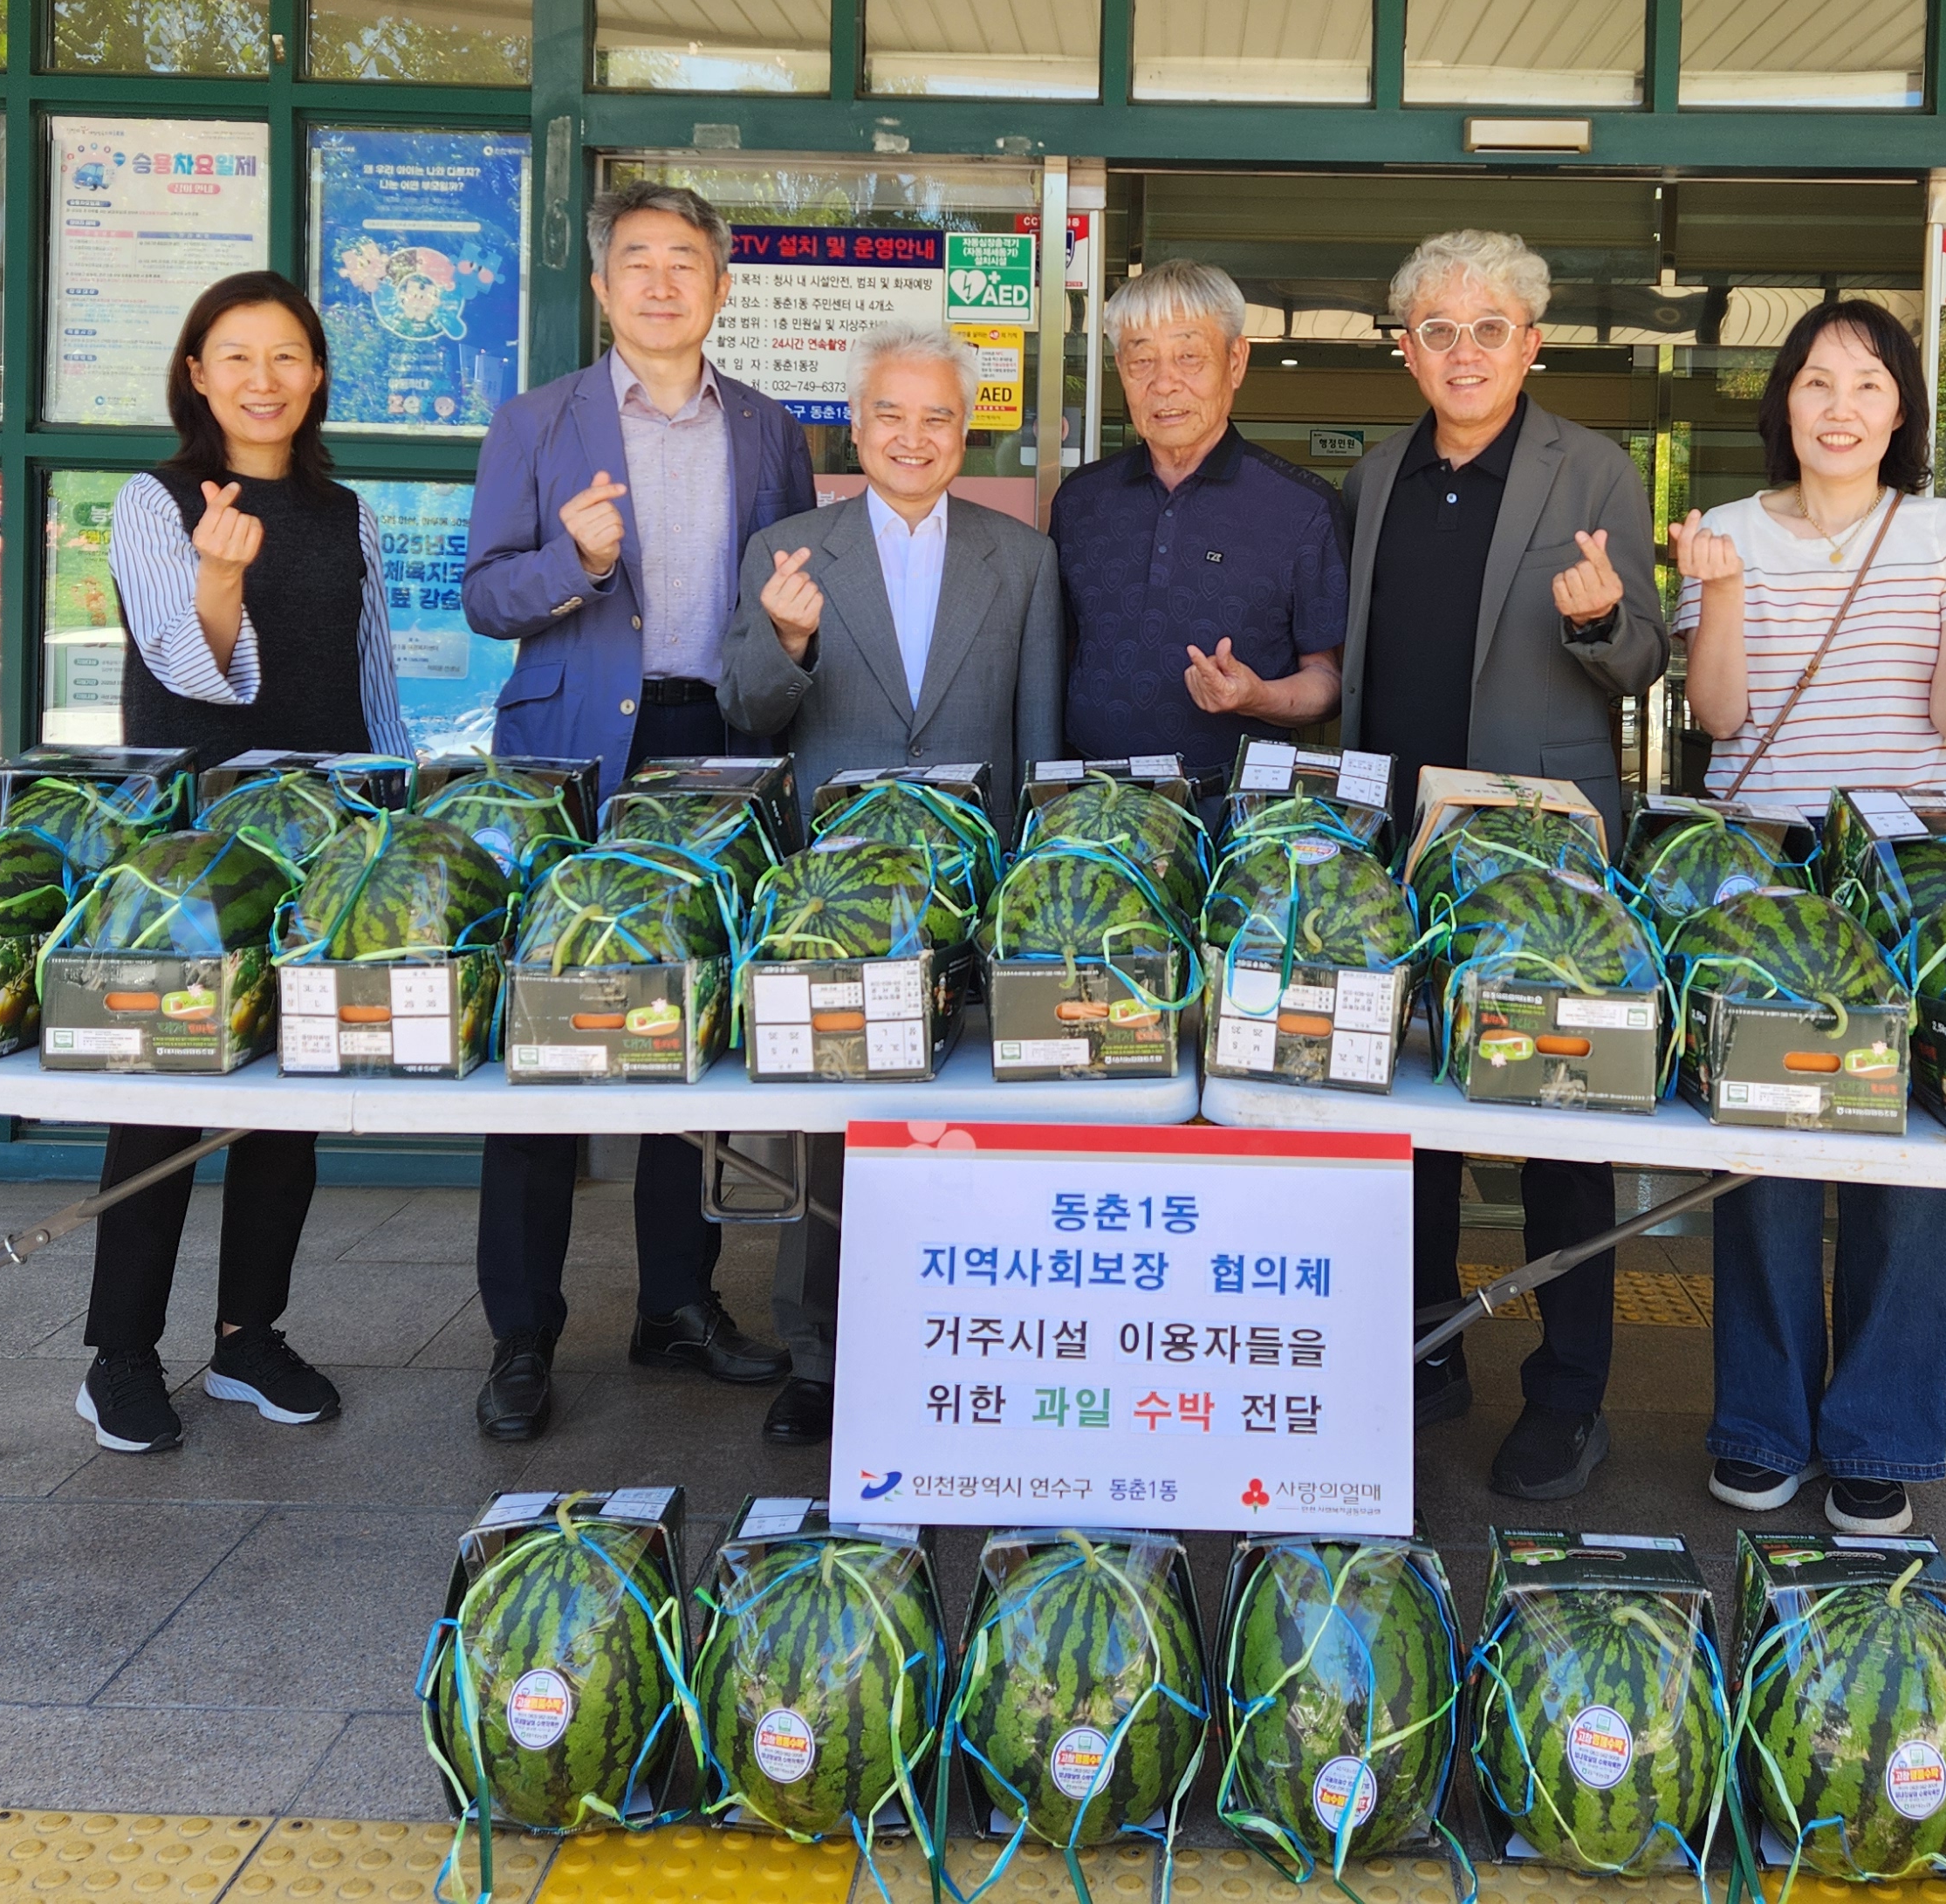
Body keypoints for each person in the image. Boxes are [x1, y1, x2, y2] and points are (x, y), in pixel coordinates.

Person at [459, 182, 816, 1444]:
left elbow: (787, 593)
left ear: (721, 289)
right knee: (541, 1041)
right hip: (570, 756)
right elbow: (486, 598)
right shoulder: (536, 420)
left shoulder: (769, 428)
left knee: (690, 1033)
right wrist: (583, 569)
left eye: (686, 263)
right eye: (637, 263)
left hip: (708, 746)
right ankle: (521, 1333)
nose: (662, 283)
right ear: (603, 289)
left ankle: (675, 1300)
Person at [1673, 295, 1946, 1538]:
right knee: (1767, 1146)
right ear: (1783, 401)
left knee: (1911, 1159)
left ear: (1901, 410)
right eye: (1818, 384)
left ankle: (1878, 1433)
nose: (1839, 409)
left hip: (1909, 869)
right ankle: (1761, 1426)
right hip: (1764, 868)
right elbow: (1718, 717)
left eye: (1868, 387)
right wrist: (1713, 595)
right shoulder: (1721, 532)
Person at [1336, 228, 1668, 1504]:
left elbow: (1639, 658)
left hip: (1537, 860)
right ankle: (1426, 1353)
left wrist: (1596, 622)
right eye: (1438, 328)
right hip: (1399, 849)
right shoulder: (1375, 476)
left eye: (1490, 328)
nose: (1463, 351)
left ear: (1531, 344)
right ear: (1406, 347)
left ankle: (1570, 1391)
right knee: (1404, 1117)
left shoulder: (1592, 469)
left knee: (1556, 1125)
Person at [75, 271, 407, 1454]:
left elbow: (371, 680)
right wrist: (222, 575)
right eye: (237, 357)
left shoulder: (345, 511)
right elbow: (190, 669)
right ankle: (119, 1352)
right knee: (165, 1094)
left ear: (317, 376)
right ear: (196, 373)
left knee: (290, 1090)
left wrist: (394, 807)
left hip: (323, 835)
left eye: (286, 358)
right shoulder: (154, 502)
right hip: (196, 848)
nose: (263, 380)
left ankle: (246, 1337)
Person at [720, 324, 1065, 1446]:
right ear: (856, 428)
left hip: (970, 885)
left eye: (937, 418)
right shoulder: (789, 547)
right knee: (837, 1123)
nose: (913, 437)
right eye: (891, 416)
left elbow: (1036, 734)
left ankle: (967, 1336)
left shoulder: (1020, 559)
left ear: (966, 433)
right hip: (837, 896)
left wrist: (1022, 874)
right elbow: (749, 713)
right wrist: (783, 638)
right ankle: (818, 1357)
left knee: (970, 1119)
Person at [1051, 258, 1346, 774]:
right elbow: (1059, 652)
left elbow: (1329, 679)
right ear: (1120, 368)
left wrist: (1256, 696)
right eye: (1142, 361)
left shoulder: (1302, 507)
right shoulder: (1080, 500)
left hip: (1232, 807)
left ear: (1235, 362)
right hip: (1092, 795)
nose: (1165, 384)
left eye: (1190, 357)